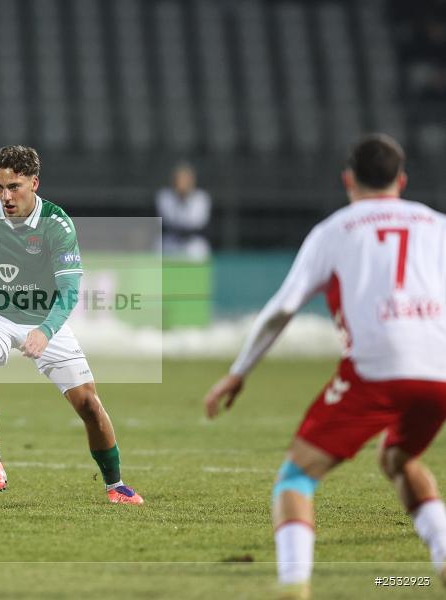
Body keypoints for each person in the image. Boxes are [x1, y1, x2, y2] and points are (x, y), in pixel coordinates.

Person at [202, 134, 446, 599]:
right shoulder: (437, 225)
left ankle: (294, 585)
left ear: (348, 179)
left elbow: (281, 309)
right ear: (402, 180)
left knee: (296, 477)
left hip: (376, 370)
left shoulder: (335, 230)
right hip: (439, 373)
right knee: (398, 458)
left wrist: (238, 372)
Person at [0, 145, 144, 505]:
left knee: (88, 403)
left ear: (34, 183)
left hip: (42, 317)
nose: (5, 197)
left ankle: (115, 485)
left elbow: (70, 292)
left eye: (14, 187)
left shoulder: (56, 225)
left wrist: (45, 330)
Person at [155, 163, 211, 261]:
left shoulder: (201, 197)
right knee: (159, 246)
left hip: (193, 243)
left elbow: (195, 222)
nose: (182, 183)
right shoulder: (164, 196)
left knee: (200, 250)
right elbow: (170, 220)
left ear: (191, 181)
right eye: (179, 179)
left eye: (185, 180)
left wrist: (185, 197)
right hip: (171, 241)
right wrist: (179, 197)